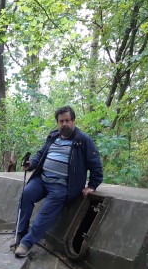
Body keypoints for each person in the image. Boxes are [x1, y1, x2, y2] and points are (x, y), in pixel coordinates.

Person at [13, 105, 103, 258]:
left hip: (62, 186)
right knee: (26, 194)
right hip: (42, 180)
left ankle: (26, 244)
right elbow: (41, 154)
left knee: (45, 213)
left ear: (73, 121)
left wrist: (92, 185)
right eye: (61, 121)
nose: (64, 124)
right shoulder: (53, 136)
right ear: (57, 122)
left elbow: (96, 164)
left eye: (67, 120)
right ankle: (20, 234)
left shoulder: (83, 140)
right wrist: (31, 163)